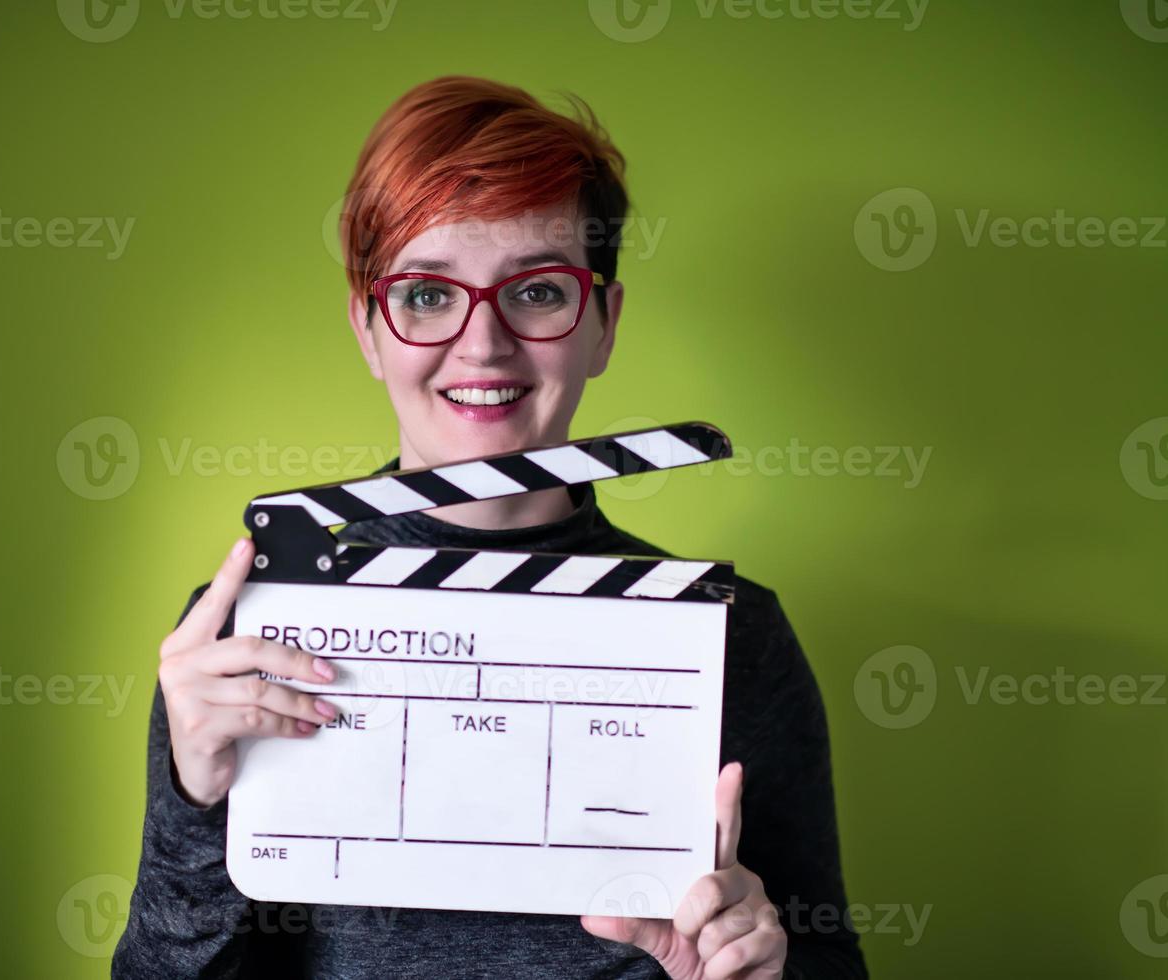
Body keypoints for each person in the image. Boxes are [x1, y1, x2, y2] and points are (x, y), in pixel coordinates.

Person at [114, 75, 867, 979]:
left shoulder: (732, 631)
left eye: (538, 292)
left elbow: (828, 958)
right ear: (369, 326)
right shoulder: (248, 635)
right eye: (428, 295)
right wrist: (191, 805)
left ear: (601, 323)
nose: (482, 344)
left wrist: (763, 967)